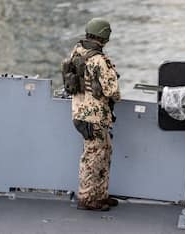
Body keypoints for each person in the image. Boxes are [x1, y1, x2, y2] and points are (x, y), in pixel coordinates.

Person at [65, 18, 121, 211]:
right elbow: (113, 91)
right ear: (105, 36)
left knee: (103, 152)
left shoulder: (77, 51)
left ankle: (100, 195)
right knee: (93, 156)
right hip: (95, 117)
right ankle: (87, 198)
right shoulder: (100, 60)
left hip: (80, 113)